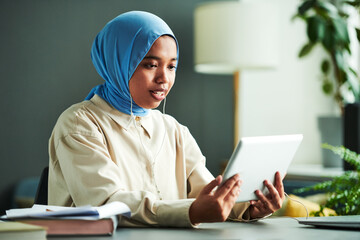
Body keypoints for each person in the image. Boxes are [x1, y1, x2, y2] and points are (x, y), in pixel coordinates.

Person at [48, 11, 285, 227]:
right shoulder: (80, 124)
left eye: (171, 66)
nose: (164, 78)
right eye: (151, 65)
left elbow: (209, 194)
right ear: (117, 63)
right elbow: (110, 204)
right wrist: (192, 211)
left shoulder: (173, 129)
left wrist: (253, 207)